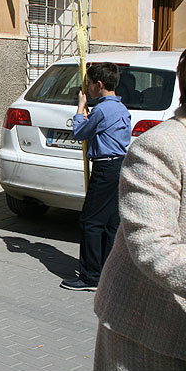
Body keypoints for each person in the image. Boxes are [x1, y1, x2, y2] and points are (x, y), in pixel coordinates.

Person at [93, 48, 186, 371]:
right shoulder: (158, 145)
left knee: (101, 224)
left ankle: (90, 270)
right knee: (94, 223)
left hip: (107, 166)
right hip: (147, 330)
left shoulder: (108, 109)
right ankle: (89, 271)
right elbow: (152, 245)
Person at [60, 62, 131, 291]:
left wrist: (80, 108)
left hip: (105, 168)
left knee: (90, 222)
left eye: (89, 84)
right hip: (119, 166)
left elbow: (80, 132)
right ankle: (107, 271)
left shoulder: (101, 110)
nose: (87, 88)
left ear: (98, 85)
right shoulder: (121, 108)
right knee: (110, 223)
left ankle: (90, 277)